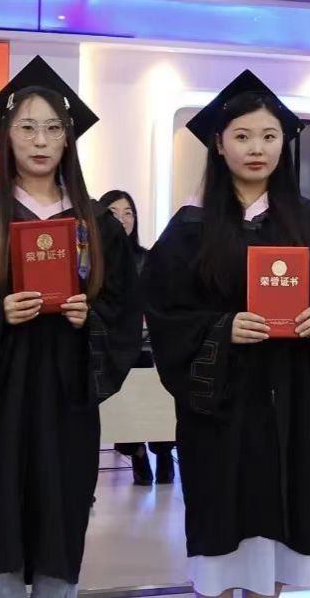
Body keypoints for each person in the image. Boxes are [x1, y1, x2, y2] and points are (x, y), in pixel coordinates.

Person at [142, 70, 310, 598]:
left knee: (280, 527)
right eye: (242, 136)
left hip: (291, 400)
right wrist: (221, 328)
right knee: (222, 524)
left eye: (268, 136)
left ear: (284, 144)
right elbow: (164, 313)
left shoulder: (305, 220)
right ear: (219, 144)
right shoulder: (191, 226)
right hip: (222, 407)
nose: (256, 148)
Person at [0, 56, 141, 597]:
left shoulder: (97, 223)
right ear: (6, 136)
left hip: (67, 399)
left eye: (52, 128)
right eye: (27, 127)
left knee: (60, 518)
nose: (41, 140)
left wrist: (89, 317)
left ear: (69, 137)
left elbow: (123, 311)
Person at [98, 189, 174, 486]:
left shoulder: (149, 258)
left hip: (149, 343)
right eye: (114, 213)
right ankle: (137, 452)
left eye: (128, 212)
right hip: (114, 344)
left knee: (157, 391)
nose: (122, 219)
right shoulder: (94, 262)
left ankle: (163, 451)